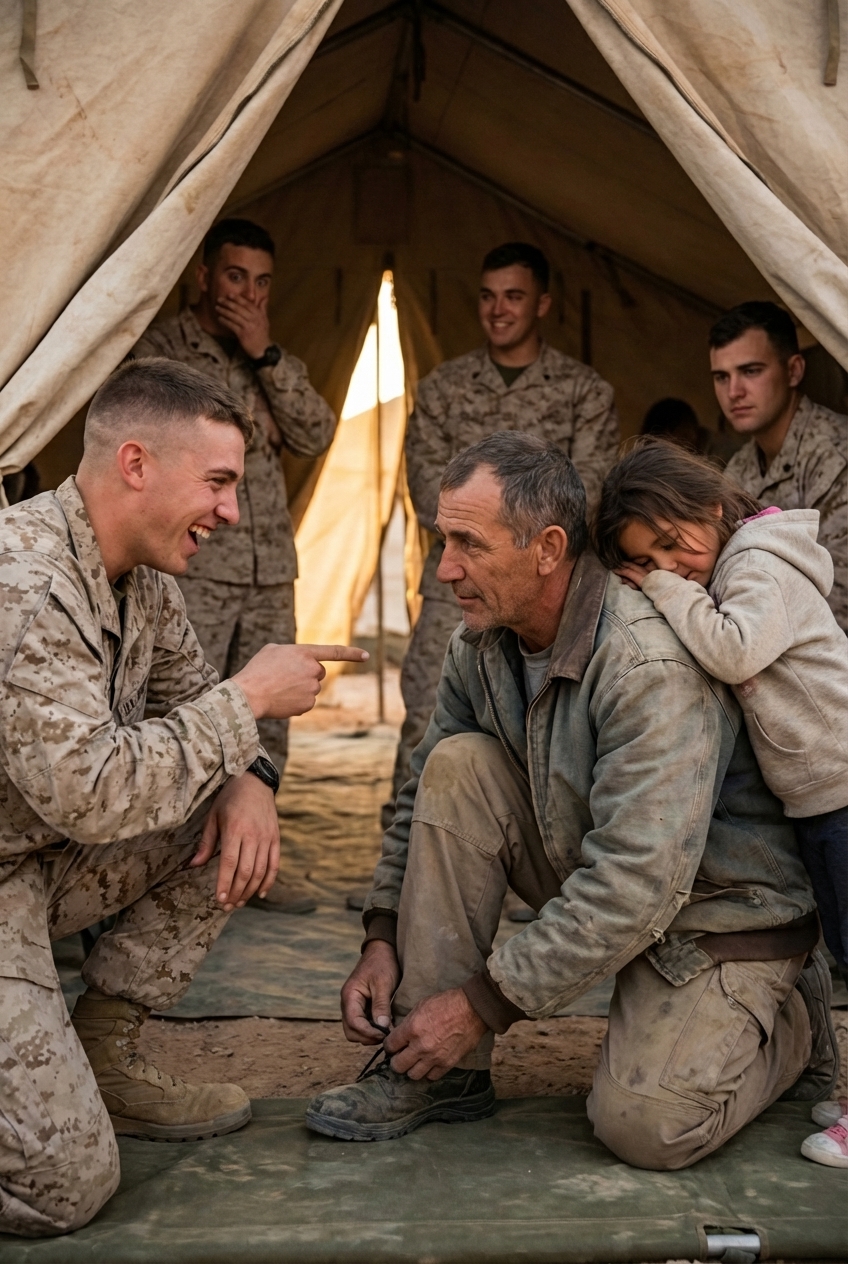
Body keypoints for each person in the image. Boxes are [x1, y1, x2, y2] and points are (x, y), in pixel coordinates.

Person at [306, 431, 835, 1168]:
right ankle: (438, 1072)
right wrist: (382, 935)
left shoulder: (645, 662)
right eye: (442, 540)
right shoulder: (478, 643)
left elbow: (637, 881)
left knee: (646, 1128)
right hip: (602, 867)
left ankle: (794, 1022)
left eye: (469, 544)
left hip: (721, 913)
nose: (446, 568)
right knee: (455, 768)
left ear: (548, 549)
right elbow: (417, 792)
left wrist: (481, 1005)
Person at [0, 358, 365, 1237]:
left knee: (223, 813)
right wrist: (251, 699)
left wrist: (253, 781)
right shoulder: (27, 581)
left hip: (32, 862)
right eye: (218, 482)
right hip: (27, 859)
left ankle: (104, 1053)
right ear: (136, 464)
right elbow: (92, 793)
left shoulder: (142, 577)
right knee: (63, 1188)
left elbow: (191, 699)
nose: (233, 511)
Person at [592, 438, 848, 1167]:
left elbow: (734, 650)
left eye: (673, 543)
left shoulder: (759, 563)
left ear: (712, 507)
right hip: (820, 800)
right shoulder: (734, 563)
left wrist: (663, 588)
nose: (670, 565)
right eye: (648, 558)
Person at [133, 218, 338, 912]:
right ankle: (170, 869)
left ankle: (253, 867)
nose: (248, 295)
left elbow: (315, 432)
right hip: (193, 567)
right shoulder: (163, 351)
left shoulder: (268, 356)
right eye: (234, 277)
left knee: (268, 721)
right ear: (203, 275)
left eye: (262, 282)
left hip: (268, 565)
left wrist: (265, 356)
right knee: (185, 714)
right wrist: (256, 422)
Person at [389, 241, 620, 819]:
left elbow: (589, 496)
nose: (498, 309)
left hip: (552, 587)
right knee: (427, 719)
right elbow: (426, 488)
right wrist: (487, 530)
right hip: (455, 580)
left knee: (555, 722)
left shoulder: (583, 392)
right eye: (488, 296)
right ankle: (409, 850)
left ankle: (541, 856)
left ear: (541, 304)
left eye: (513, 296)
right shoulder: (443, 389)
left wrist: (503, 530)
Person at [709, 301, 847, 633]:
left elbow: (837, 605)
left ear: (794, 371)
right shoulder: (739, 468)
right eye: (721, 377)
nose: (734, 392)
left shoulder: (836, 456)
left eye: (751, 371)